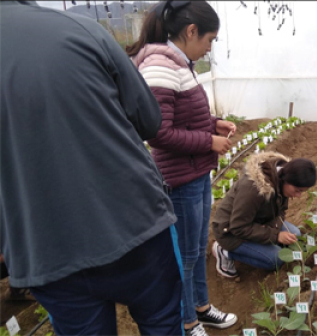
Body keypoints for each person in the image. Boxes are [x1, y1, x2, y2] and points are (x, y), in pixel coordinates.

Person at [1, 1, 183, 335]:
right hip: (134, 226)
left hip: (46, 249)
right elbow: (149, 120)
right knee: (162, 325)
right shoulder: (79, 30)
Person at [127, 1, 237, 335]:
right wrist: (208, 142)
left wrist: (213, 123)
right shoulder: (160, 65)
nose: (209, 49)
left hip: (195, 173)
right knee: (185, 258)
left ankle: (200, 308)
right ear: (191, 31)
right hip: (179, 178)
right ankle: (187, 321)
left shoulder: (179, 63)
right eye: (209, 40)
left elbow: (182, 115)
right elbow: (158, 132)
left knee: (195, 250)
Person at [211, 152, 317, 275]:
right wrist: (276, 236)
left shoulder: (282, 182)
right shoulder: (253, 189)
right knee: (276, 259)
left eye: (302, 192)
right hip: (230, 231)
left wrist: (274, 230)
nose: (298, 196)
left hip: (258, 221)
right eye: (298, 191)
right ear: (287, 180)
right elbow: (238, 227)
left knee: (295, 234)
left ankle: (262, 245)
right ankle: (224, 251)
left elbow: (281, 211)